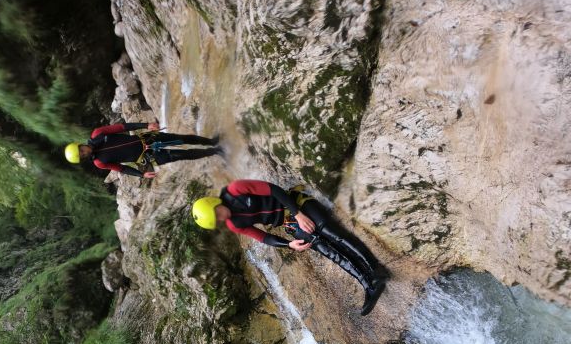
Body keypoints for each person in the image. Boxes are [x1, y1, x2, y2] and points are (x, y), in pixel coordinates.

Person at [192, 180, 389, 315]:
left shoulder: (236, 189)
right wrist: (289, 245)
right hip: (288, 222)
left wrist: (298, 214)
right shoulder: (234, 224)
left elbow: (273, 190)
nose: (221, 218)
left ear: (214, 203)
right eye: (217, 221)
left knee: (335, 236)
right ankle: (367, 284)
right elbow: (262, 237)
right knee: (327, 250)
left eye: (217, 214)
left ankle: (376, 270)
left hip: (296, 205)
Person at [64, 121, 220, 178]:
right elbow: (121, 168)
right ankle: (214, 151)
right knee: (183, 155)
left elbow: (122, 127)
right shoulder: (99, 162)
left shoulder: (98, 134)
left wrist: (146, 125)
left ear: (80, 144)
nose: (85, 153)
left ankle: (212, 142)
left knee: (182, 138)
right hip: (148, 157)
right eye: (82, 155)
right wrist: (141, 174)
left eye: (81, 150)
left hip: (147, 139)